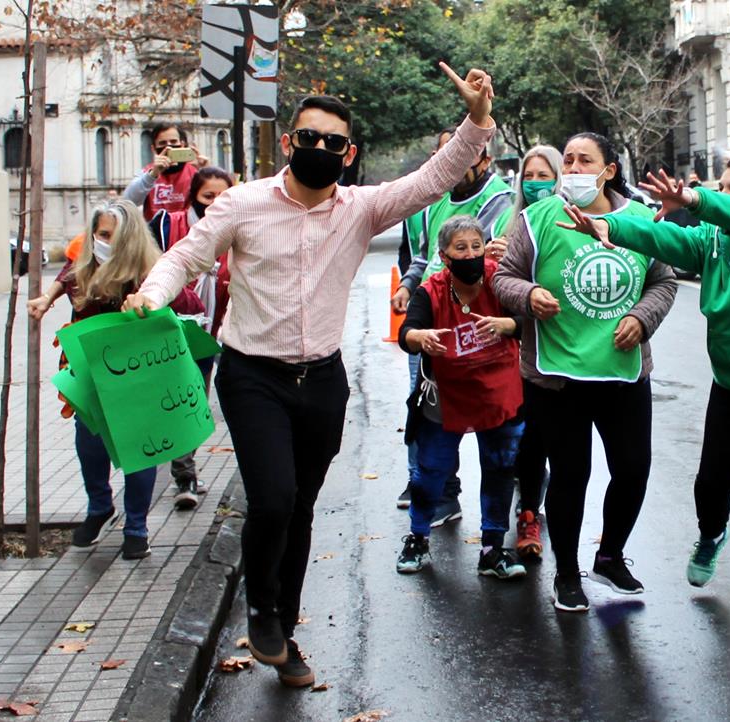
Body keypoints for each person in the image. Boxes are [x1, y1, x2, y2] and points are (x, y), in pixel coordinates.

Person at [122, 65, 496, 688]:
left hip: (322, 381)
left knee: (299, 507)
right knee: (271, 498)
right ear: (289, 141)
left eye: (332, 141)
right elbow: (186, 256)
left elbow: (434, 178)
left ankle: (283, 632)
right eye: (308, 137)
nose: (319, 147)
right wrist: (152, 294)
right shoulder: (242, 202)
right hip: (252, 377)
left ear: (348, 153)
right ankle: (262, 611)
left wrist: (477, 119)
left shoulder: (362, 208)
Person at [562, 152, 730, 632]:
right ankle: (711, 535)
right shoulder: (712, 240)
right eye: (720, 186)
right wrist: (609, 227)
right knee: (711, 483)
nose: (723, 195)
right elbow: (664, 238)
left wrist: (695, 198)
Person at [492, 132, 678, 613]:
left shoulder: (640, 221)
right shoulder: (536, 219)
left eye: (584, 161)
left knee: (633, 469)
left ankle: (610, 555)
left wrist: (642, 318)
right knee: (571, 475)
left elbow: (663, 281)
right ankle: (567, 573)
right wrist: (528, 295)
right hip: (556, 378)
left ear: (609, 171)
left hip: (623, 373)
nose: (573, 169)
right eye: (569, 160)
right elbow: (504, 277)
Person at [27, 200, 205, 560]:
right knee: (90, 443)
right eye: (102, 234)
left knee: (140, 447)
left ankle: (136, 527)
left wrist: (152, 300)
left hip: (141, 376)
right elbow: (68, 275)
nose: (107, 242)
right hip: (91, 373)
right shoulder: (85, 267)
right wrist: (46, 298)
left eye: (115, 235)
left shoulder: (153, 270)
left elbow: (190, 304)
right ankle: (99, 508)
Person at [389, 127, 514, 524]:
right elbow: (423, 257)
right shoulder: (431, 202)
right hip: (435, 315)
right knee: (428, 402)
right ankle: (436, 489)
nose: (455, 162)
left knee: (496, 413)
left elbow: (499, 265)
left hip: (481, 321)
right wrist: (408, 287)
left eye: (465, 153)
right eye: (448, 154)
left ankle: (520, 481)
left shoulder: (500, 201)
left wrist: (509, 320)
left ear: (485, 160)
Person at [397, 215, 526, 579]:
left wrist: (508, 325)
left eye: (476, 246)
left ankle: (492, 548)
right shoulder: (431, 291)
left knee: (500, 469)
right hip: (447, 395)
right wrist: (420, 339)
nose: (470, 255)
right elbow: (408, 331)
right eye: (460, 248)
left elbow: (530, 319)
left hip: (498, 393)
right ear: (444, 256)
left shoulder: (500, 281)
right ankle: (418, 537)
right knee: (430, 471)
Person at [488, 145, 564, 560]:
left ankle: (551, 512)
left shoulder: (570, 221)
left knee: (558, 443)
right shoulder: (511, 222)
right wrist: (497, 264)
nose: (535, 184)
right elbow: (497, 287)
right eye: (529, 177)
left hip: (565, 350)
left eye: (543, 175)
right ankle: (528, 514)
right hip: (519, 353)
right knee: (527, 439)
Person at [148, 166, 235, 510]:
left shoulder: (238, 231)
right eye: (207, 196)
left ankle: (184, 473)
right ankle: (181, 475)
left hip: (209, 337)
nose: (214, 203)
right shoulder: (167, 225)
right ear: (193, 196)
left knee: (194, 403)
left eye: (222, 196)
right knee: (174, 404)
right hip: (166, 334)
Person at [123, 122, 209, 221]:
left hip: (188, 229)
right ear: (153, 149)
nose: (168, 147)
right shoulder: (147, 173)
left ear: (182, 144)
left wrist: (206, 172)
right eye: (162, 143)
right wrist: (152, 175)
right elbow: (129, 201)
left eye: (173, 142)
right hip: (156, 229)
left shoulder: (194, 171)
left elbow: (212, 200)